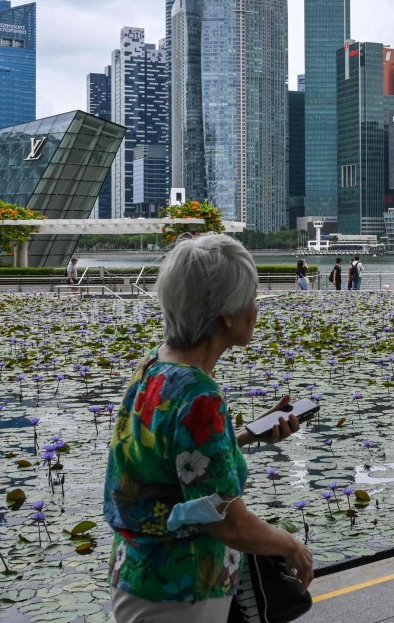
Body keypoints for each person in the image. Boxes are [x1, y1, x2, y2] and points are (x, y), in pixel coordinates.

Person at [104, 234, 313, 622]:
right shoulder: (200, 395)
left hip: (138, 573)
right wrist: (289, 545)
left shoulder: (157, 365)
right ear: (227, 314)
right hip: (180, 589)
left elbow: (174, 465)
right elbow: (226, 521)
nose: (256, 308)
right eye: (251, 297)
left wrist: (249, 435)